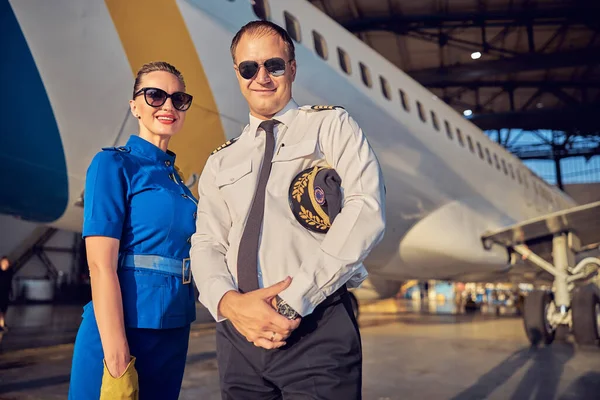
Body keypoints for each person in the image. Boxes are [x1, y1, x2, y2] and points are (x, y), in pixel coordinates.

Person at [190, 20, 386, 399]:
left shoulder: (331, 125)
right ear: (237, 74)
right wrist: (227, 303)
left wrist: (292, 301)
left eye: (274, 66)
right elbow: (207, 242)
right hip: (238, 336)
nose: (261, 77)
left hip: (315, 325)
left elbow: (366, 209)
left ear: (292, 68)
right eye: (249, 68)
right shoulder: (221, 161)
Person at [68, 61, 197, 400]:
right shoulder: (113, 164)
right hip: (123, 328)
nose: (168, 105)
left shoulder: (178, 181)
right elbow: (100, 265)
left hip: (174, 326)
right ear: (134, 106)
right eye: (155, 95)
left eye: (178, 99)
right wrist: (116, 354)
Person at [0, 256, 14, 331]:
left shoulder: (10, 272)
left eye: (6, 263)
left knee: (4, 309)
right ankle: (1, 324)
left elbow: (9, 282)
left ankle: (2, 323)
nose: (5, 264)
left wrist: (11, 292)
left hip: (6, 292)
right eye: (3, 262)